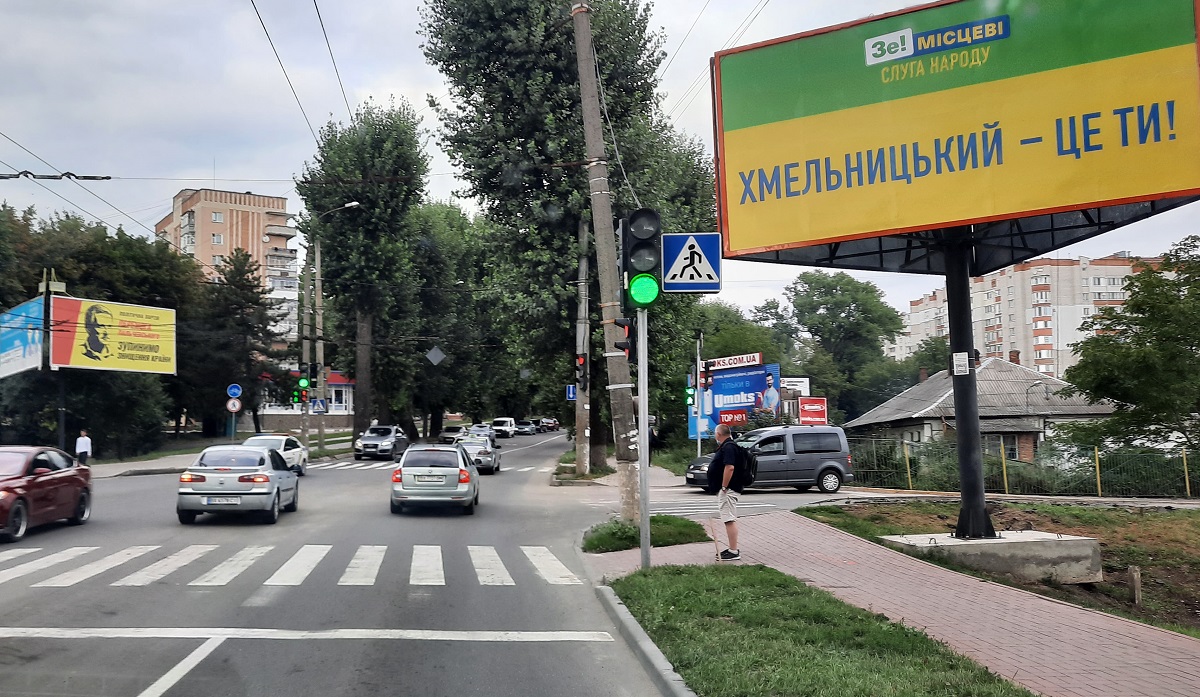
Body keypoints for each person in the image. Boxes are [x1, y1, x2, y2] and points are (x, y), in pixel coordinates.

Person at [710, 423, 742, 561]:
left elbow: (730, 467)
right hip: (729, 488)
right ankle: (732, 549)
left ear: (718, 434)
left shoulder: (728, 447)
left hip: (728, 489)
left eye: (715, 434)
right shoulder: (729, 446)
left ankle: (733, 551)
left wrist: (724, 486)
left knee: (728, 518)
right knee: (728, 518)